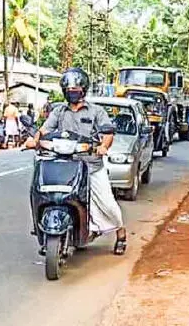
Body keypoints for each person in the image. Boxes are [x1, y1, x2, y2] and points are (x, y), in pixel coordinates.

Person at [30, 67, 128, 255]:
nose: (72, 93)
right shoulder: (59, 111)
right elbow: (44, 130)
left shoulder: (96, 112)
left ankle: (121, 234)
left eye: (75, 90)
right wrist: (34, 140)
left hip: (91, 166)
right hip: (63, 165)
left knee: (108, 204)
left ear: (84, 90)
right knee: (46, 193)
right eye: (69, 90)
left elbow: (107, 133)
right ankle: (47, 230)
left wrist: (103, 147)